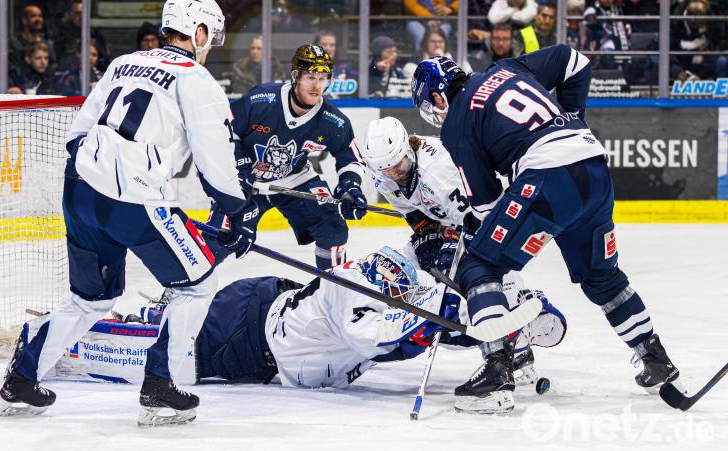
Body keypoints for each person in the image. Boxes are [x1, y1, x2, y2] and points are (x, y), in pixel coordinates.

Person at [0, 0, 253, 429]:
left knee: (90, 298)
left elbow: (79, 132)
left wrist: (105, 176)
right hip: (133, 199)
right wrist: (237, 212)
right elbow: (216, 159)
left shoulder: (123, 63)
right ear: (199, 31)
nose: (209, 46)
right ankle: (161, 384)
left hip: (79, 191)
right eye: (210, 36)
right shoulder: (195, 78)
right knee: (199, 282)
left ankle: (22, 377)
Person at [411, 46, 683, 414]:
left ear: (440, 94)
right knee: (602, 277)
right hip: (594, 168)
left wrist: (474, 226)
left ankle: (497, 373)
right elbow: (576, 62)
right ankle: (655, 359)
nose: (435, 113)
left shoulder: (457, 121)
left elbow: (487, 206)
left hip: (549, 180)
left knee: (479, 266)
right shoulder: (506, 68)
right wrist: (573, 118)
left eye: (431, 104)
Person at [41, 248, 567, 390]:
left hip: (262, 310)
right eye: (400, 290)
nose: (406, 293)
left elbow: (422, 313)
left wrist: (496, 317)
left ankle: (141, 316)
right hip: (245, 339)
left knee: (178, 328)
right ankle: (73, 340)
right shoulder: (353, 299)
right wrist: (453, 313)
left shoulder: (382, 279)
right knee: (166, 354)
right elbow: (388, 339)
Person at [359, 116, 557, 389]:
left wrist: (451, 245)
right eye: (386, 170)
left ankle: (511, 340)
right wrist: (426, 235)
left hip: (492, 217)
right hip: (450, 221)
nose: (394, 174)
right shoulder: (383, 171)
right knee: (395, 272)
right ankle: (511, 332)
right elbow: (415, 212)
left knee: (470, 278)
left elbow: (479, 218)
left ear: (408, 149)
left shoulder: (440, 173)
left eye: (398, 166)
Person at [206, 44, 367, 271]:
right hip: (245, 180)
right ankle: (176, 295)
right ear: (295, 76)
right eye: (311, 76)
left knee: (334, 229)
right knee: (217, 238)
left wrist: (350, 186)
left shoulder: (333, 121)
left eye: (323, 78)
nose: (316, 85)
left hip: (293, 179)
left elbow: (349, 157)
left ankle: (334, 293)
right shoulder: (262, 99)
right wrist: (239, 170)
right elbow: (226, 130)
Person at [11, 3, 56, 68]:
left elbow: (52, 68)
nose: (38, 19)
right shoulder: (13, 43)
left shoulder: (48, 45)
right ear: (24, 21)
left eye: (40, 16)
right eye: (33, 16)